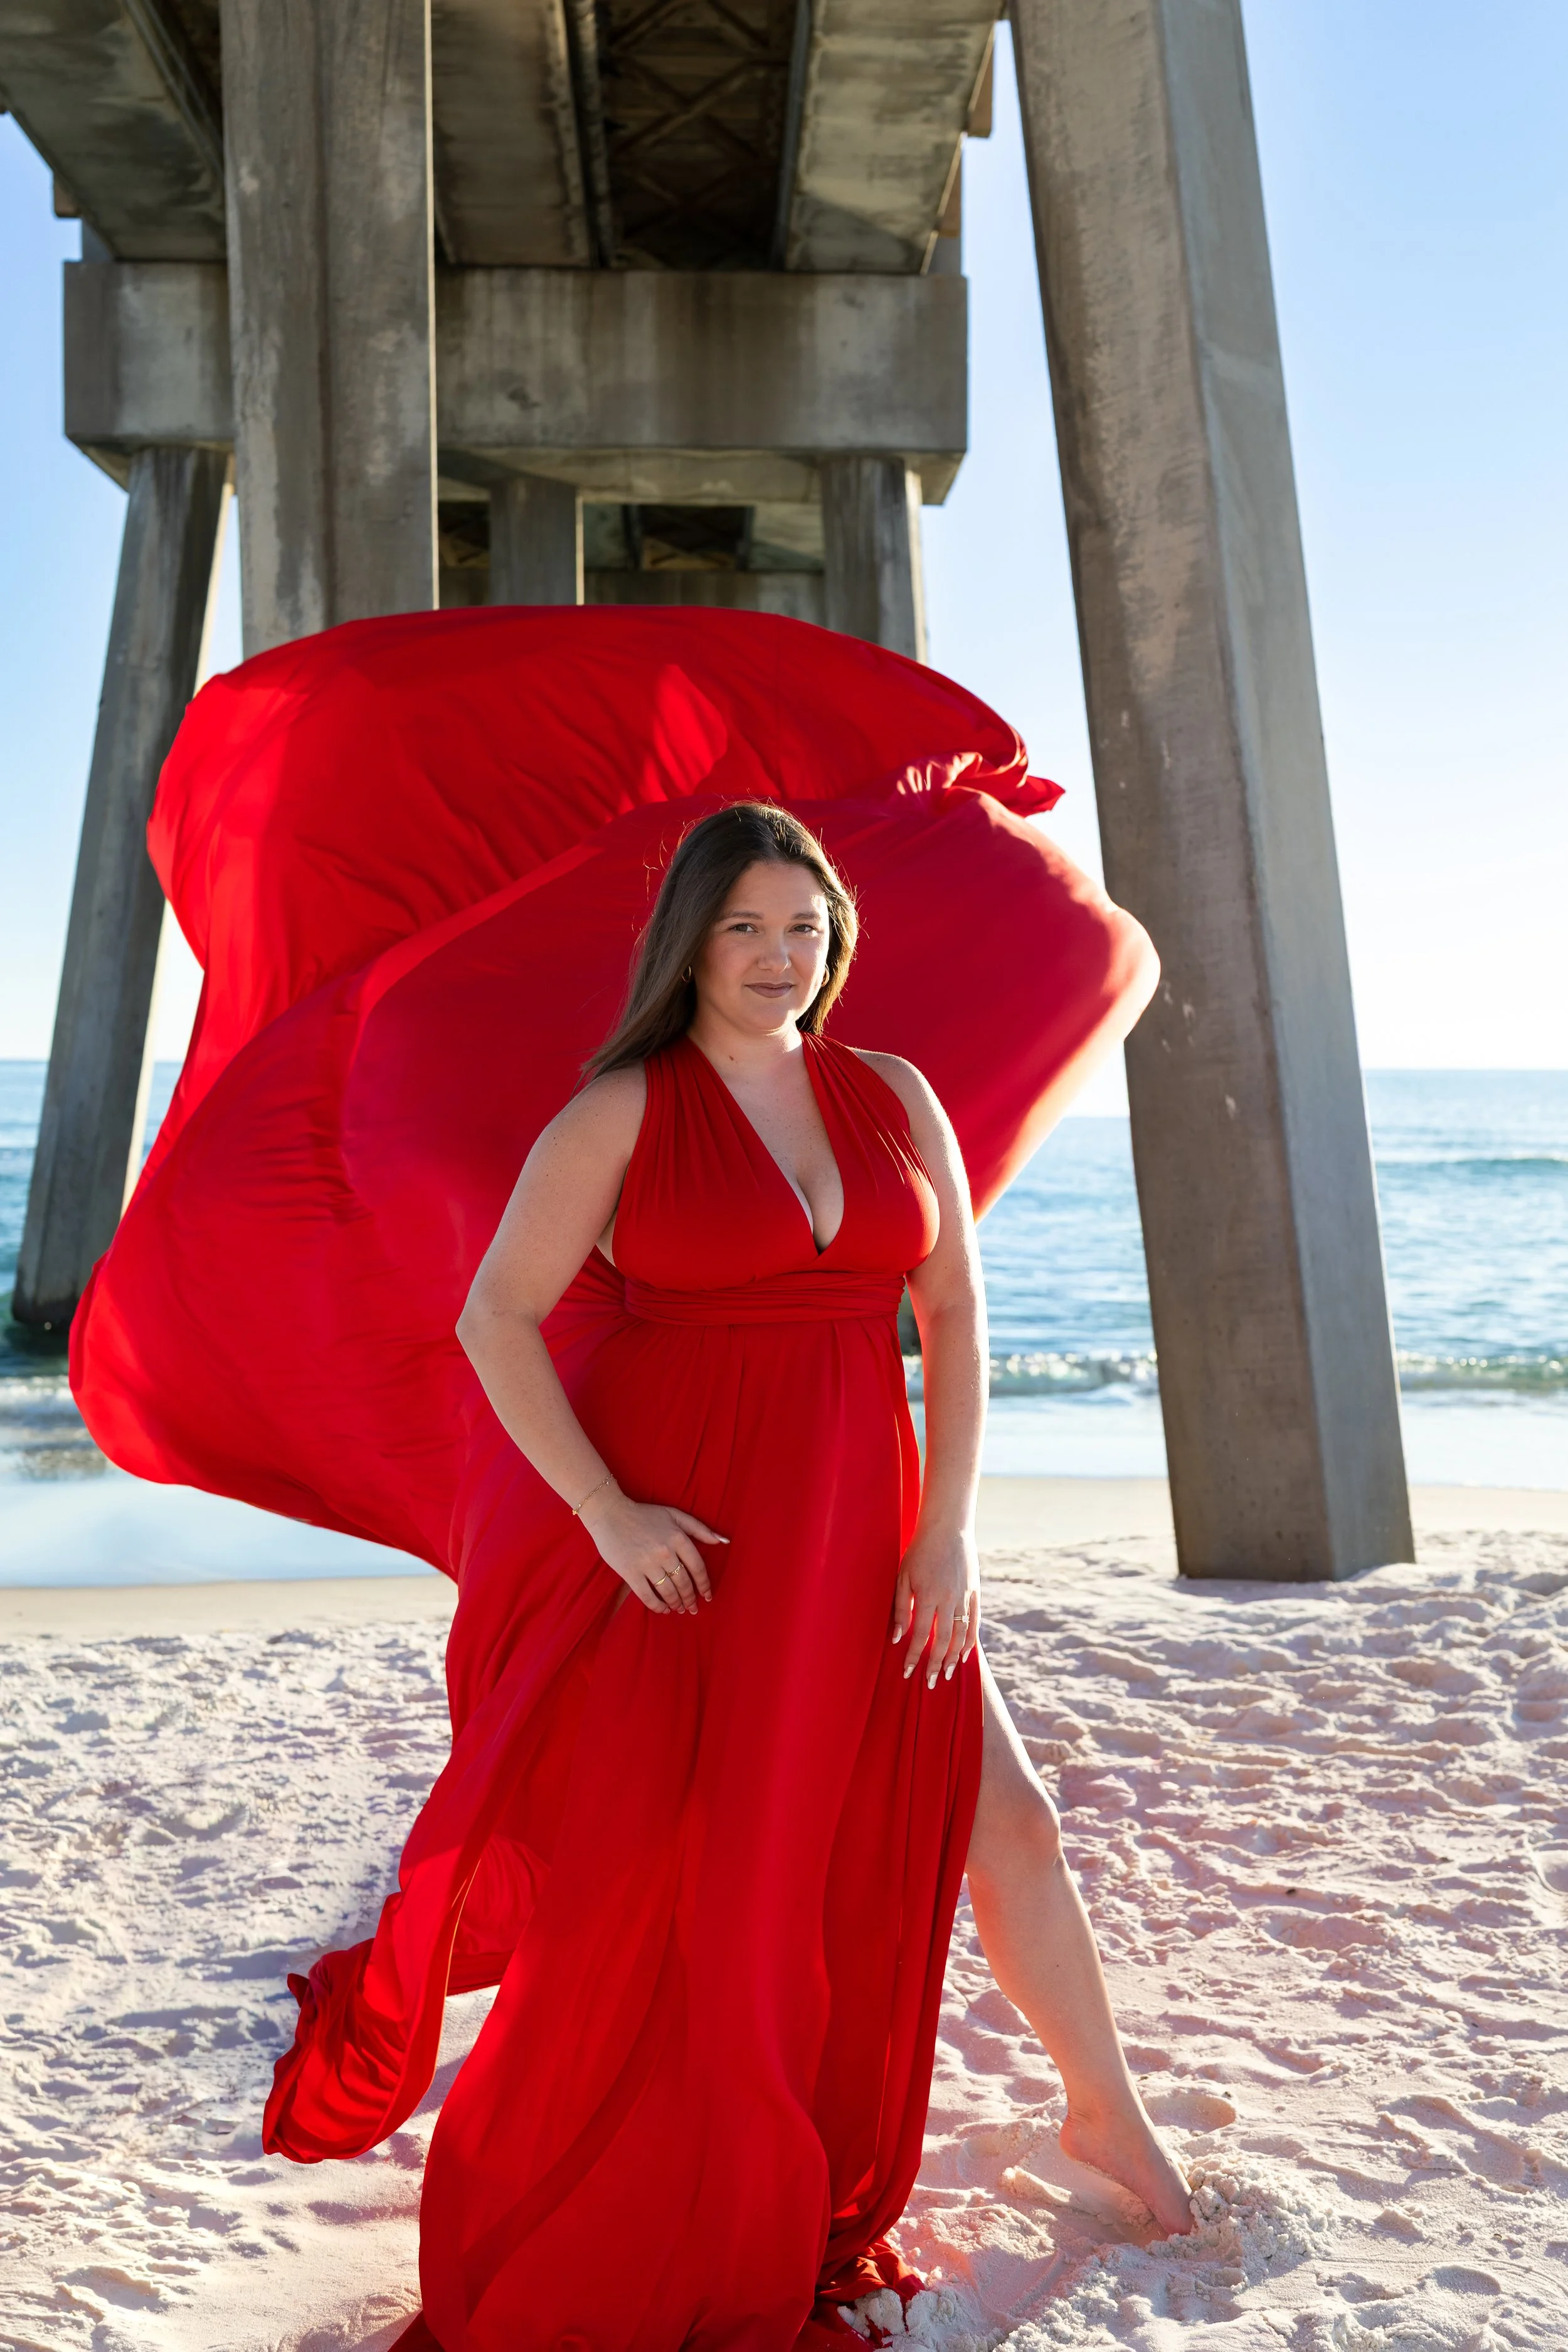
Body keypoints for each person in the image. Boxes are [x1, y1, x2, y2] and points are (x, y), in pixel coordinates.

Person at [363, 801, 1184, 2346]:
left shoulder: (889, 1094)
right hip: (698, 1555)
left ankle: (1104, 2116)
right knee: (708, 1894)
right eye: (744, 927)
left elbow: (948, 1314)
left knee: (1005, 1813)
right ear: (690, 941)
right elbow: (495, 1318)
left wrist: (942, 1534)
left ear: (835, 941)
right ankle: (701, 2190)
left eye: (801, 928)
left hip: (867, 1537)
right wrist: (608, 1515)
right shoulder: (621, 1111)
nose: (776, 955)